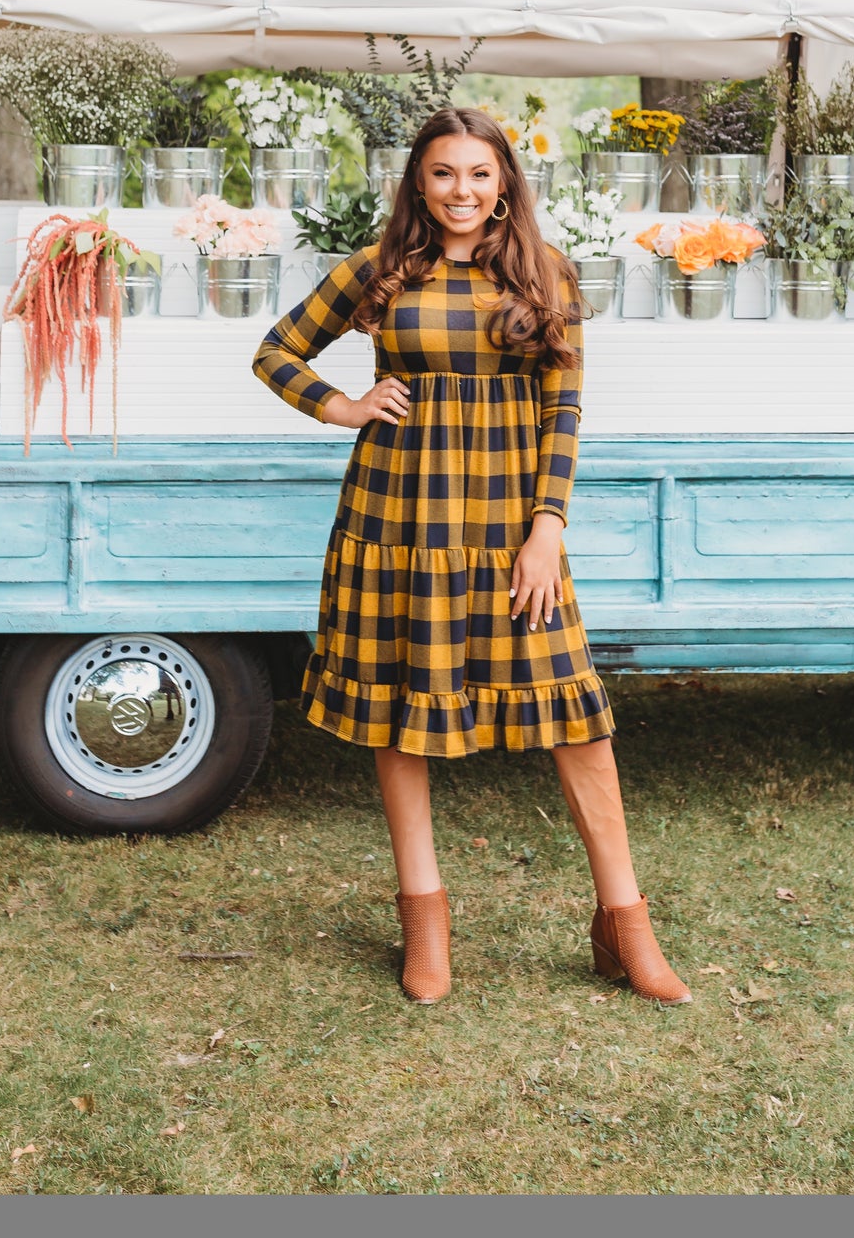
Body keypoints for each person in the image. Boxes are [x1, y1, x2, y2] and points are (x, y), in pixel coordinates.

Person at [252, 105, 689, 1006]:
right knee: (400, 711)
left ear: (504, 184)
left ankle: (625, 921)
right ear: (419, 180)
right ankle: (425, 917)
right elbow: (277, 350)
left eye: (479, 174)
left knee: (576, 719)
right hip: (395, 517)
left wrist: (547, 527)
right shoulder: (379, 272)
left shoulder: (544, 274)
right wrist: (343, 406)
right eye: (444, 172)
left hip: (507, 529)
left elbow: (562, 411)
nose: (461, 190)